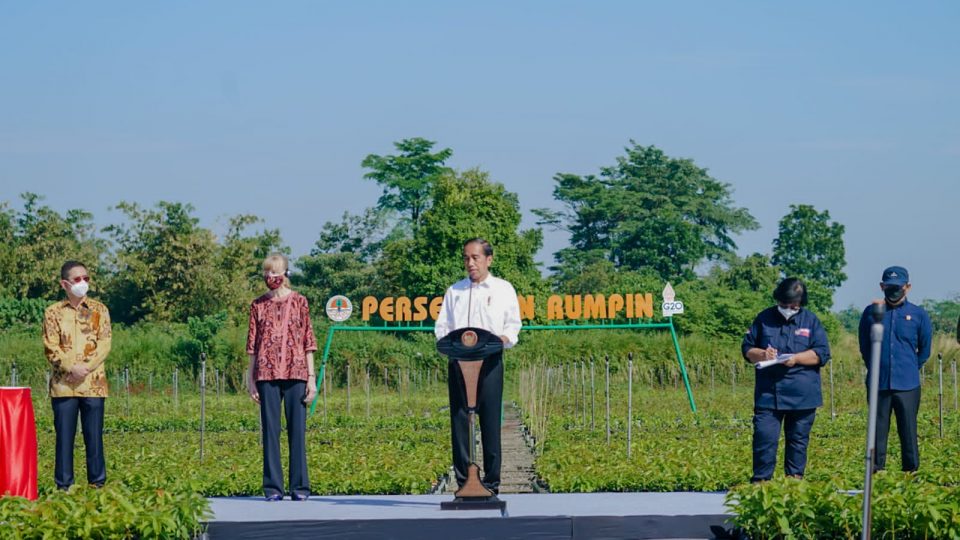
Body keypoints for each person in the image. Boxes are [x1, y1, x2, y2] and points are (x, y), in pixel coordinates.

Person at [435, 238, 522, 496]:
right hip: (459, 364)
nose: (470, 263)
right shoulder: (455, 291)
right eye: (466, 258)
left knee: (490, 421)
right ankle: (464, 482)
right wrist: (447, 342)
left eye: (475, 258)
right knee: (460, 420)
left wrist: (504, 339)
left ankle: (492, 483)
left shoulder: (504, 289)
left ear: (489, 259)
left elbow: (513, 325)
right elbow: (442, 327)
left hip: (490, 362)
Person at [742, 277, 831, 482]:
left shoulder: (811, 321)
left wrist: (796, 358)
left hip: (803, 394)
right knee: (764, 438)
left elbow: (821, 354)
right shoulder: (764, 319)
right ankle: (761, 483)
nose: (789, 308)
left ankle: (794, 483)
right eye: (784, 304)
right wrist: (763, 354)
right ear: (778, 299)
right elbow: (747, 350)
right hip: (769, 393)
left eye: (794, 305)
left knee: (798, 441)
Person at [246, 253, 318, 500]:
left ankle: (300, 487)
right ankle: (273, 488)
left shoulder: (300, 302)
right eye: (267, 272)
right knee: (270, 431)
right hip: (266, 374)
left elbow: (308, 340)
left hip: (296, 372)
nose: (270, 277)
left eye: (274, 272)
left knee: (297, 431)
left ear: (285, 274)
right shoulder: (257, 305)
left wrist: (311, 377)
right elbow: (252, 345)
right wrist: (250, 378)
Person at [42, 260, 112, 490]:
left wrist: (85, 368)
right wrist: (71, 367)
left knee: (94, 437)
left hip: (93, 384)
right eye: (77, 279)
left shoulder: (100, 310)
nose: (83, 283)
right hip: (64, 385)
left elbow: (105, 344)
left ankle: (97, 485)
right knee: (64, 439)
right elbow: (51, 346)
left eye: (86, 278)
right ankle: (64, 487)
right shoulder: (52, 312)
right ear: (65, 284)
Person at [858, 266, 932, 472]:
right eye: (889, 287)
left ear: (907, 287)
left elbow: (924, 350)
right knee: (877, 432)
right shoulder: (870, 313)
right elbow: (864, 346)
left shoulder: (918, 314)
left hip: (907, 384)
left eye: (898, 287)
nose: (893, 291)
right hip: (878, 383)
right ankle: (876, 474)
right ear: (882, 286)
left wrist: (909, 368)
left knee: (908, 431)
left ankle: (911, 474)